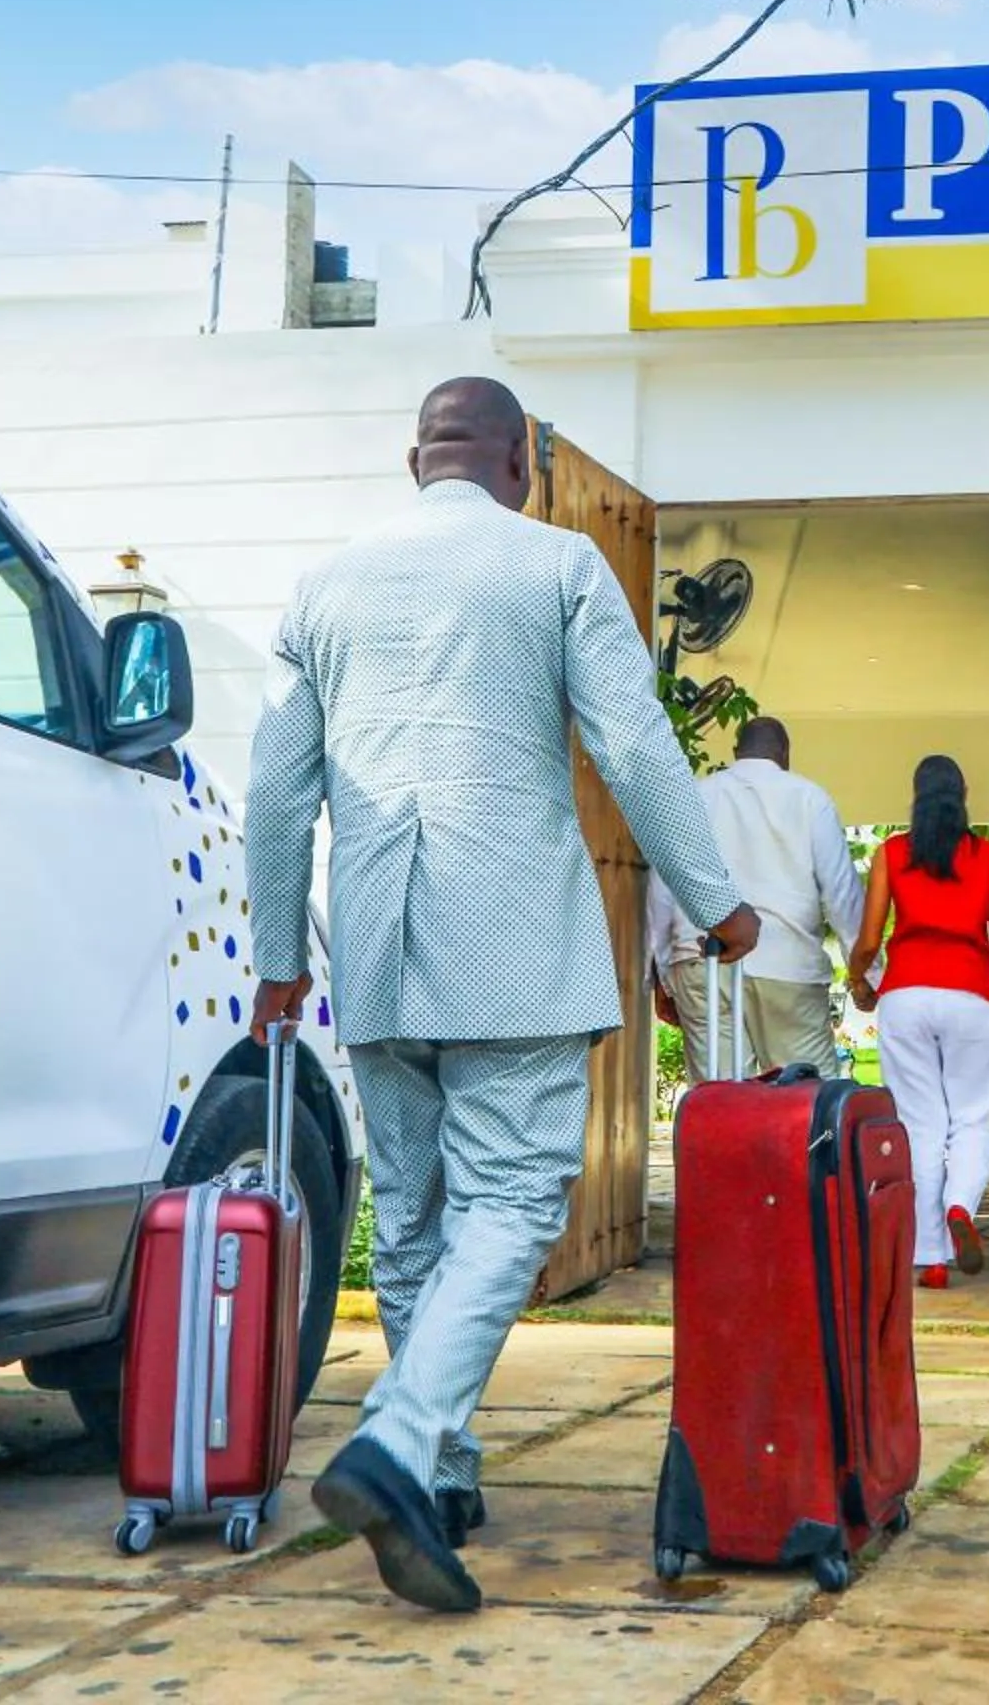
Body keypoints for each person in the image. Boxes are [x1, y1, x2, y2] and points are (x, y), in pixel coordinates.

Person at [245, 376, 759, 1615]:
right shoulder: (558, 566)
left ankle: (446, 1472)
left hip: (375, 943)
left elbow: (275, 788)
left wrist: (278, 956)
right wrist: (714, 895)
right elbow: (633, 741)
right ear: (521, 458)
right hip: (510, 936)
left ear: (411, 457)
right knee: (517, 1198)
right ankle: (401, 1437)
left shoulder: (325, 583)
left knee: (414, 1219)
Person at [847, 755, 989, 1290]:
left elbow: (867, 940)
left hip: (906, 997)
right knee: (972, 1119)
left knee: (920, 1123)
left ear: (916, 796)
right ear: (963, 795)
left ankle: (930, 1258)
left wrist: (860, 981)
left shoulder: (893, 853)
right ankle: (959, 1208)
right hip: (972, 998)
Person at [643, 717, 863, 1083]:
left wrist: (666, 977)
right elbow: (842, 895)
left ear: (735, 753)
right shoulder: (810, 798)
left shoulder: (697, 795)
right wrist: (864, 973)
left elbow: (662, 889)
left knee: (720, 1099)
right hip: (789, 968)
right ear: (785, 755)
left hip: (702, 960)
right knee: (807, 1105)